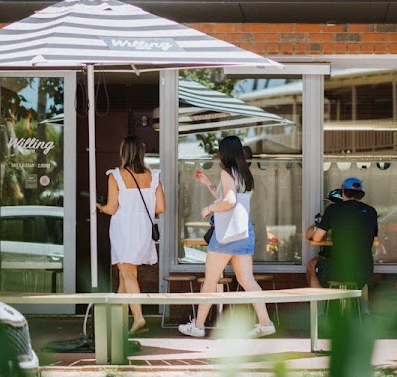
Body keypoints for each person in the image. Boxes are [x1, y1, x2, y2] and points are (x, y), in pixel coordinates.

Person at [179, 135, 275, 338]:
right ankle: (265, 323)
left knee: (210, 281)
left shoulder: (226, 173)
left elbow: (229, 202)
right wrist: (208, 184)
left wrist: (208, 208)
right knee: (247, 280)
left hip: (225, 235)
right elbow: (230, 199)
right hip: (243, 232)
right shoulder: (245, 175)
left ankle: (198, 326)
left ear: (224, 154)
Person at [96, 135, 165, 335]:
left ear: (123, 153)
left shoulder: (116, 176)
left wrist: (99, 206)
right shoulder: (153, 176)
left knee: (126, 273)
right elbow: (161, 207)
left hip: (123, 229)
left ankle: (138, 317)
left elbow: (112, 208)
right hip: (143, 229)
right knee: (126, 275)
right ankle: (117, 320)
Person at [307, 177, 379, 289]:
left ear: (343, 191)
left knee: (312, 264)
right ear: (360, 194)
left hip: (340, 270)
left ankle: (320, 300)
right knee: (358, 275)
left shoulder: (333, 209)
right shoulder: (371, 211)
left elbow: (317, 238)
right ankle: (362, 301)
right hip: (365, 271)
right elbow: (374, 239)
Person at [304, 188, 342, 286]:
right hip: (330, 258)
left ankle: (318, 296)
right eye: (328, 203)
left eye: (332, 203)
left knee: (313, 265)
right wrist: (319, 226)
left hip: (342, 260)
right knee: (312, 263)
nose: (328, 205)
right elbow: (308, 235)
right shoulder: (326, 218)